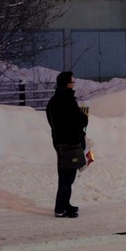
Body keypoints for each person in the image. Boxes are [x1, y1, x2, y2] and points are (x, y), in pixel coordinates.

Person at [46, 71, 88, 218]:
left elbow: (53, 122)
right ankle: (60, 208)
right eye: (72, 82)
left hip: (60, 143)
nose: (73, 84)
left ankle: (64, 204)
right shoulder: (67, 100)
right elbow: (77, 121)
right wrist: (84, 118)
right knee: (67, 177)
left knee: (65, 176)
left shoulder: (54, 100)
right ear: (67, 84)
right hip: (70, 143)